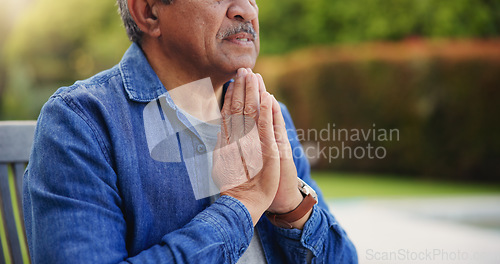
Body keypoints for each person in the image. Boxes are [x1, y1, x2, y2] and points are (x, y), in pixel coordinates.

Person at [23, 0, 358, 263]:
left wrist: (292, 209)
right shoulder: (81, 122)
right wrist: (241, 205)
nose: (246, 9)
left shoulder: (269, 115)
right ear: (149, 12)